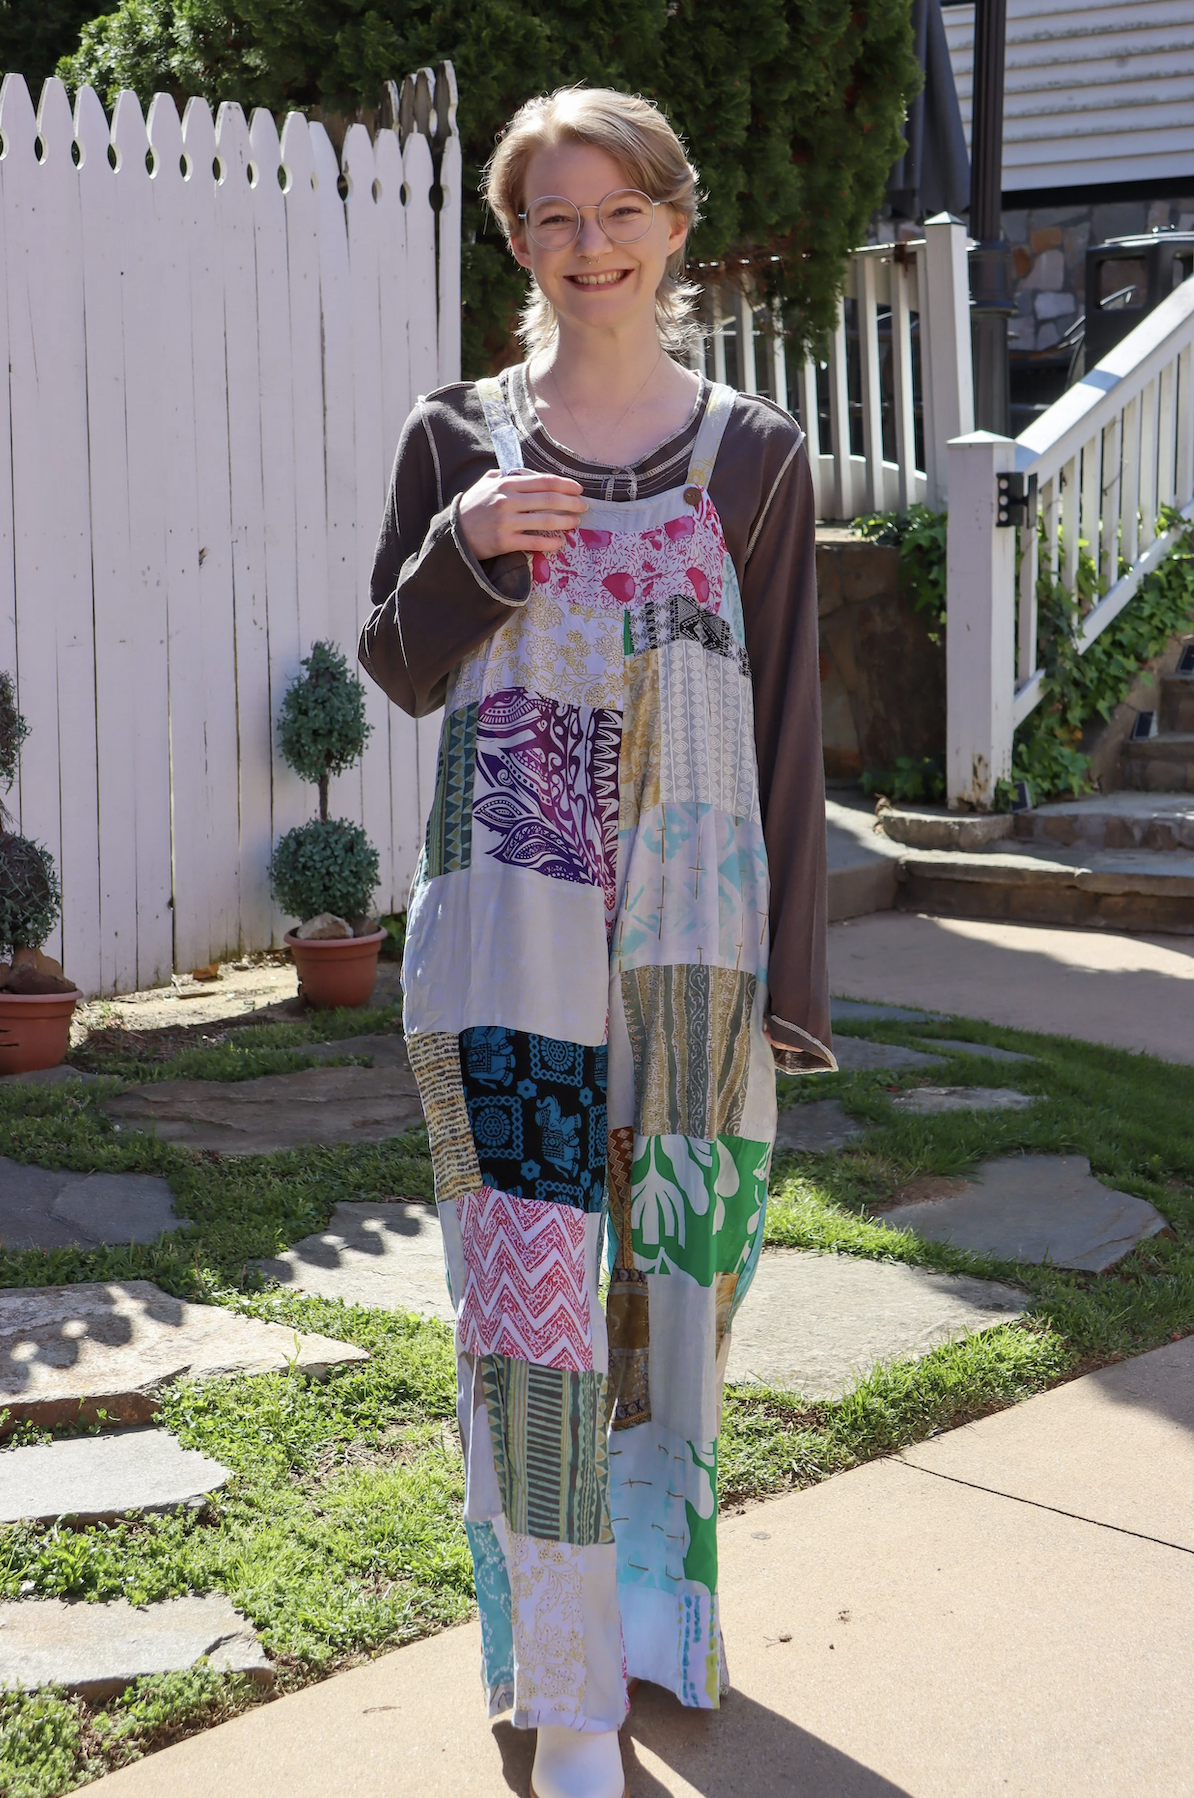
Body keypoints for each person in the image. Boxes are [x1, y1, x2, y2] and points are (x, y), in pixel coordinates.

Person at [359, 84, 833, 1798]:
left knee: (679, 1289)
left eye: (616, 210)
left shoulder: (757, 456)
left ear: (674, 223)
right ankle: (562, 1686)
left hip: (696, 941)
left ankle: (653, 1607)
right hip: (508, 935)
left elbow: (784, 724)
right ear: (516, 241)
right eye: (552, 218)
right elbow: (399, 665)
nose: (588, 247)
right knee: (531, 1298)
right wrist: (462, 550)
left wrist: (796, 983)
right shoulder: (455, 434)